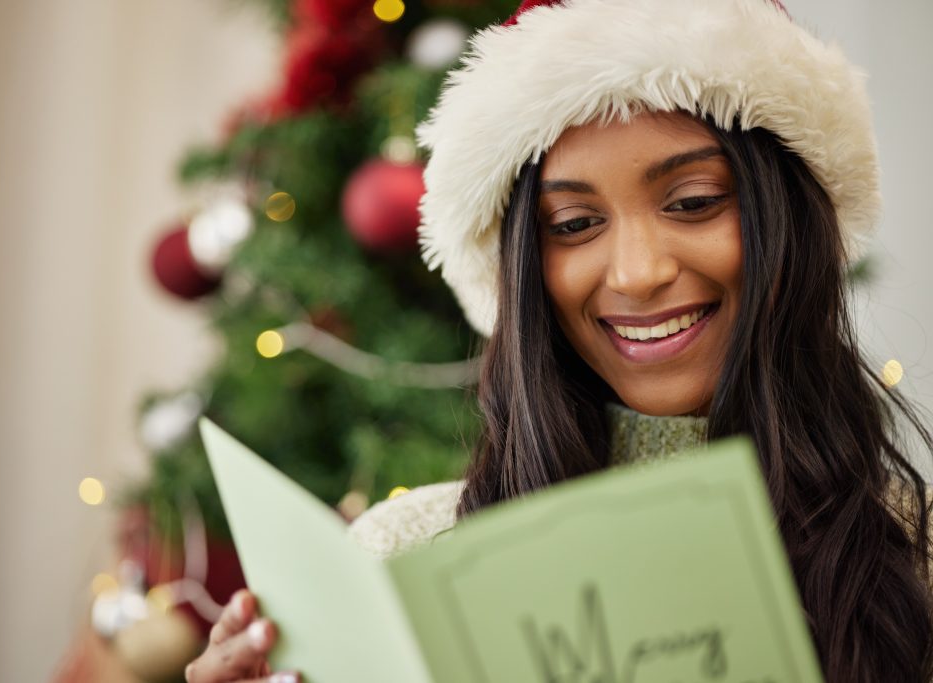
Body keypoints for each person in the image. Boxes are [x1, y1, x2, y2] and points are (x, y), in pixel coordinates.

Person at [185, 1, 933, 681]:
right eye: (573, 225)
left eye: (694, 202)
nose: (638, 274)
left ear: (792, 227)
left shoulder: (915, 559)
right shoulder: (399, 553)